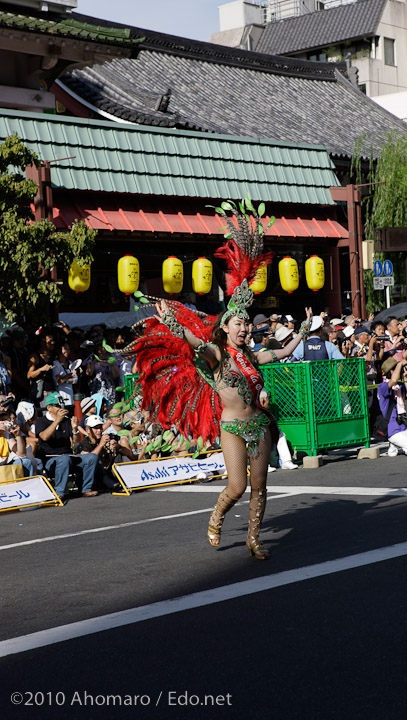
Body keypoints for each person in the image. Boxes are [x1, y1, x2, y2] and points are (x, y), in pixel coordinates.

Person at [127, 197, 313, 559]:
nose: (245, 328)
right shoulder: (216, 356)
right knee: (238, 485)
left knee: (261, 486)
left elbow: (285, 352)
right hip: (232, 427)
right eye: (239, 323)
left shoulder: (254, 357)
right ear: (225, 328)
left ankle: (253, 540)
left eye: (247, 323)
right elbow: (196, 342)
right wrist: (175, 326)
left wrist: (303, 329)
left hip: (259, 425)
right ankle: (216, 517)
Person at [35, 392, 99, 499]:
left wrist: (75, 429)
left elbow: (77, 441)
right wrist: (57, 421)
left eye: (62, 404)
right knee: (64, 459)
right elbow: (44, 437)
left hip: (69, 456)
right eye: (58, 405)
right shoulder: (41, 421)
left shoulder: (66, 420)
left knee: (92, 457)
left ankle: (86, 488)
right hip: (51, 459)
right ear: (49, 408)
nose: (61, 408)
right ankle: (59, 492)